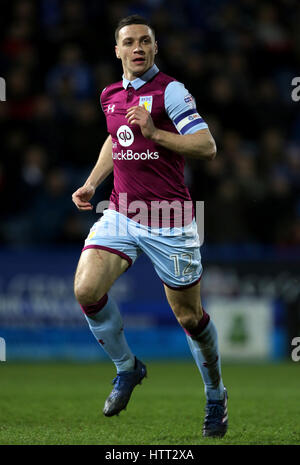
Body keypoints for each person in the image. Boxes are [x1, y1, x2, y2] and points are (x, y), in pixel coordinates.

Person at [72, 15, 228, 438]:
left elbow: (206, 146)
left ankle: (216, 395)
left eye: (145, 41)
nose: (137, 48)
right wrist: (91, 183)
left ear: (155, 48)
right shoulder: (110, 94)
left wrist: (156, 132)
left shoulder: (171, 92)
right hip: (122, 211)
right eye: (129, 42)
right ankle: (128, 367)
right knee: (86, 289)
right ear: (117, 50)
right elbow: (115, 137)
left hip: (169, 218)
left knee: (190, 316)